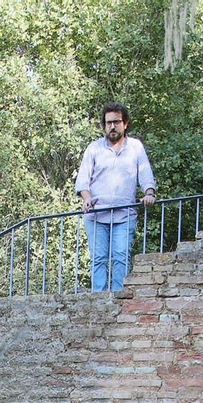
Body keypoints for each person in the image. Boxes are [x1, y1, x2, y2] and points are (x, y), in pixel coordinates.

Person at [75, 101, 157, 292]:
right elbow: (82, 181)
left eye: (116, 122)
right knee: (99, 258)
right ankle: (98, 300)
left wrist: (149, 193)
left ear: (125, 123)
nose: (112, 126)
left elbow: (145, 174)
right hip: (96, 214)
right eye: (109, 122)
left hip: (124, 213)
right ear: (104, 125)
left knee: (121, 256)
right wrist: (86, 198)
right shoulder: (94, 148)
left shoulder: (135, 147)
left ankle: (119, 301)